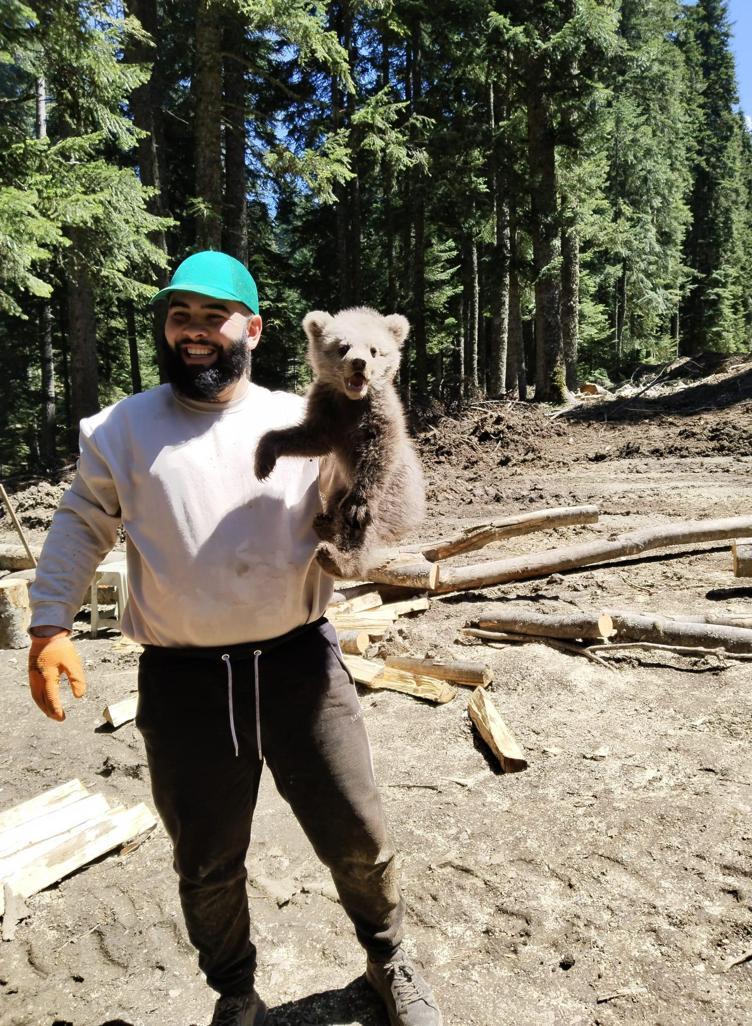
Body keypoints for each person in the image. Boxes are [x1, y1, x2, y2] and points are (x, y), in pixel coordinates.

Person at [27, 251, 443, 1026]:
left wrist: (366, 530)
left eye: (212, 317)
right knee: (207, 861)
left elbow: (372, 494)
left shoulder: (304, 415)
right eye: (179, 316)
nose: (194, 332)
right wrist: (50, 621)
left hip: (300, 668)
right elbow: (82, 522)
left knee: (358, 834)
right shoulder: (122, 429)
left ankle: (390, 961)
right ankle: (237, 995)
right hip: (185, 683)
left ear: (249, 327)